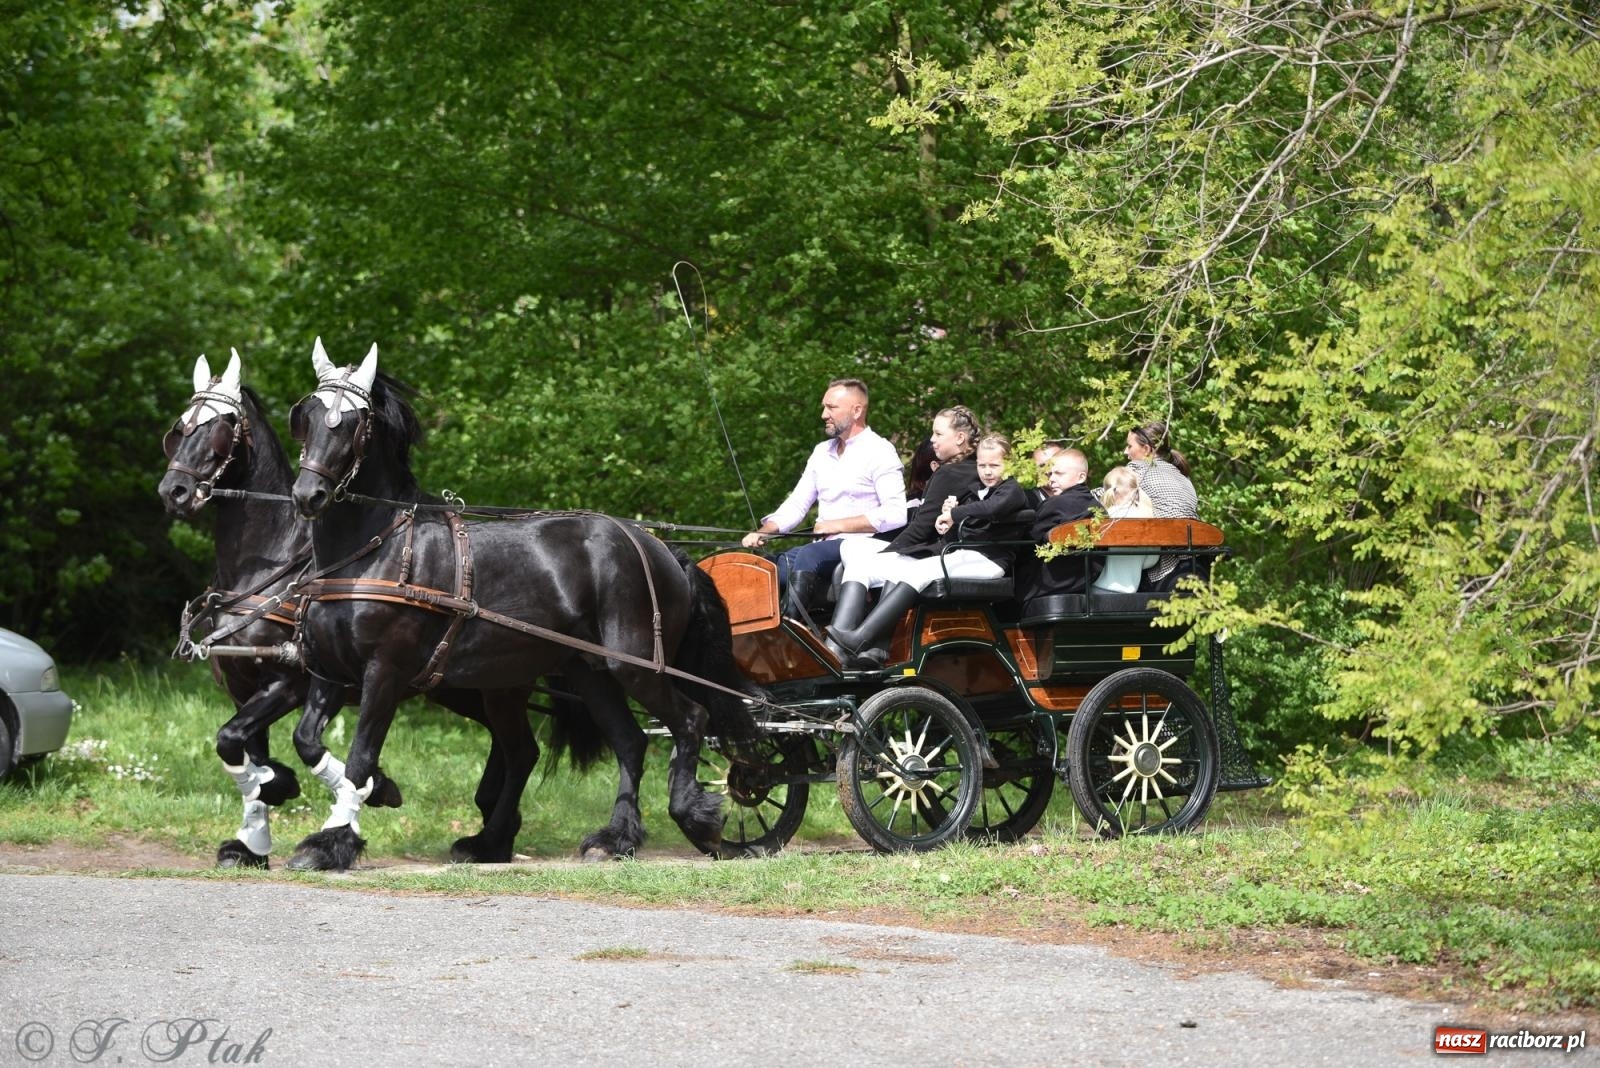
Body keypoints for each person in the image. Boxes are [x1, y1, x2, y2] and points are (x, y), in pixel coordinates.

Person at [824, 406, 988, 665]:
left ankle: (836, 651)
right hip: (942, 548)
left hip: (942, 552)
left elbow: (922, 528)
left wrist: (887, 552)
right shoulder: (971, 470)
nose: (931, 440)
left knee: (859, 560)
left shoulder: (950, 473)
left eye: (937, 433)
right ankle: (867, 648)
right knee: (856, 555)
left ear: (959, 438)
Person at [741, 378, 907, 613]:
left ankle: (790, 636)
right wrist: (764, 532)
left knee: (808, 554)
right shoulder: (821, 452)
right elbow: (797, 504)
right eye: (824, 406)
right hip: (821, 548)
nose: (823, 414)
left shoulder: (880, 451)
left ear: (857, 410)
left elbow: (896, 514)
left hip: (861, 547)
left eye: (831, 407)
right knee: (764, 567)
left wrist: (836, 525)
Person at [1122, 419, 1198, 587]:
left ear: (1147, 450)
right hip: (1198, 560)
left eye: (1129, 446)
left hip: (1168, 568)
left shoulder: (1139, 468)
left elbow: (1108, 494)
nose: (1125, 452)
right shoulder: (1182, 475)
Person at [1027, 448, 1101, 597]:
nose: (1051, 479)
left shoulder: (1055, 504)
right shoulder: (1098, 507)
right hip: (1085, 580)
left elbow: (1029, 541)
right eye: (1050, 473)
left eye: (1059, 473)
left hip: (1050, 583)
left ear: (1081, 477)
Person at [1090, 466, 1157, 593]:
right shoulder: (1147, 518)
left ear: (1109, 491)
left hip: (1098, 588)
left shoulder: (1105, 517)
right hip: (1131, 590)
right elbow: (1151, 561)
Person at [1027, 440, 1065, 508]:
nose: (1048, 470)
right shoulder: (1026, 503)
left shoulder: (1082, 497)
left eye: (1053, 463)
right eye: (1042, 466)